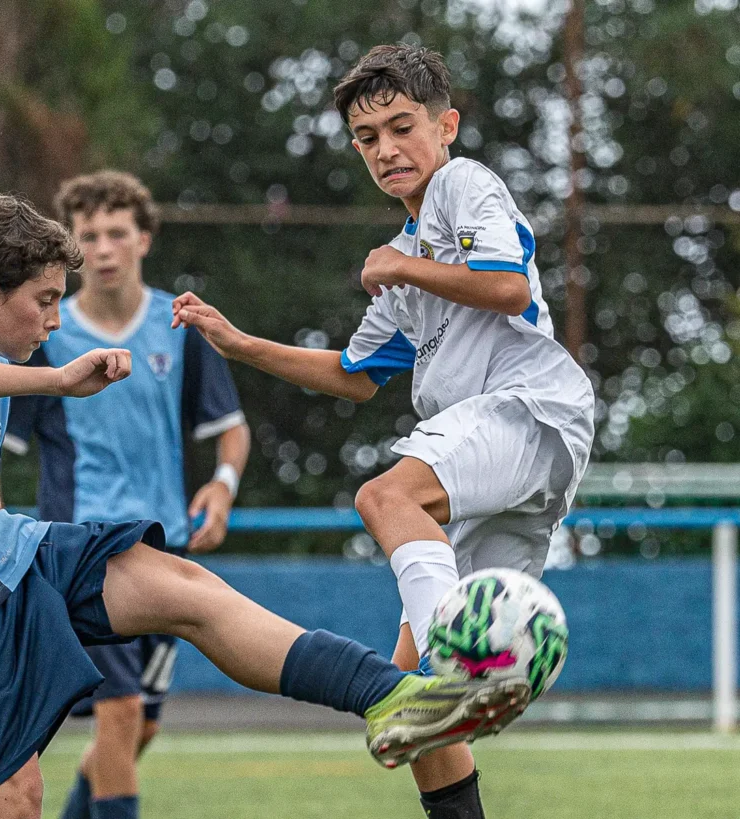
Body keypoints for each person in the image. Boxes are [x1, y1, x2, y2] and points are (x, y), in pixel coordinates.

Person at [0, 191, 530, 819]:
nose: (55, 315)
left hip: (1, 550)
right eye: (44, 299)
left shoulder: (3, 371)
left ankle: (392, 694)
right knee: (16, 799)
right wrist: (58, 382)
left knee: (187, 588)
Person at [171, 44, 594, 819]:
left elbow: (503, 286)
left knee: (385, 496)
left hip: (529, 406)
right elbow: (353, 375)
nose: (386, 149)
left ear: (447, 127)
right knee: (406, 709)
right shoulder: (403, 254)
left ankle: (458, 666)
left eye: (401, 127)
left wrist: (402, 271)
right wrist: (239, 343)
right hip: (495, 459)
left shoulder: (462, 187)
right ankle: (454, 696)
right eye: (367, 137)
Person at [2, 171, 251, 819]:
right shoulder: (44, 338)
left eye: (117, 232)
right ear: (72, 250)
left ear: (144, 238)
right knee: (118, 713)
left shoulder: (179, 326)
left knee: (138, 728)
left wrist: (221, 491)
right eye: (89, 236)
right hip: (82, 557)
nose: (105, 247)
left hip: (164, 551)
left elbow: (231, 431)